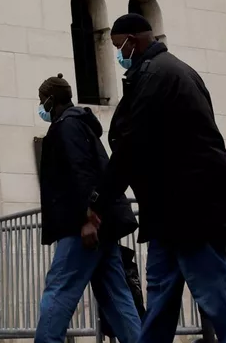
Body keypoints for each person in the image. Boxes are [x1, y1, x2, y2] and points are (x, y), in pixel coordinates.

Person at [89, 14, 226, 343]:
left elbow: (131, 146)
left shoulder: (157, 76)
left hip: (187, 208)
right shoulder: (172, 72)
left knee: (215, 289)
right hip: (174, 208)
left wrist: (99, 199)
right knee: (161, 293)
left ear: (132, 41)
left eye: (118, 46)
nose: (117, 54)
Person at [35, 74, 143, 343]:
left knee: (58, 291)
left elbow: (80, 172)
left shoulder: (66, 127)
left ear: (51, 100)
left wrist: (88, 218)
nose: (41, 106)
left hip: (81, 226)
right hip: (101, 224)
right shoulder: (81, 125)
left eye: (42, 100)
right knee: (116, 297)